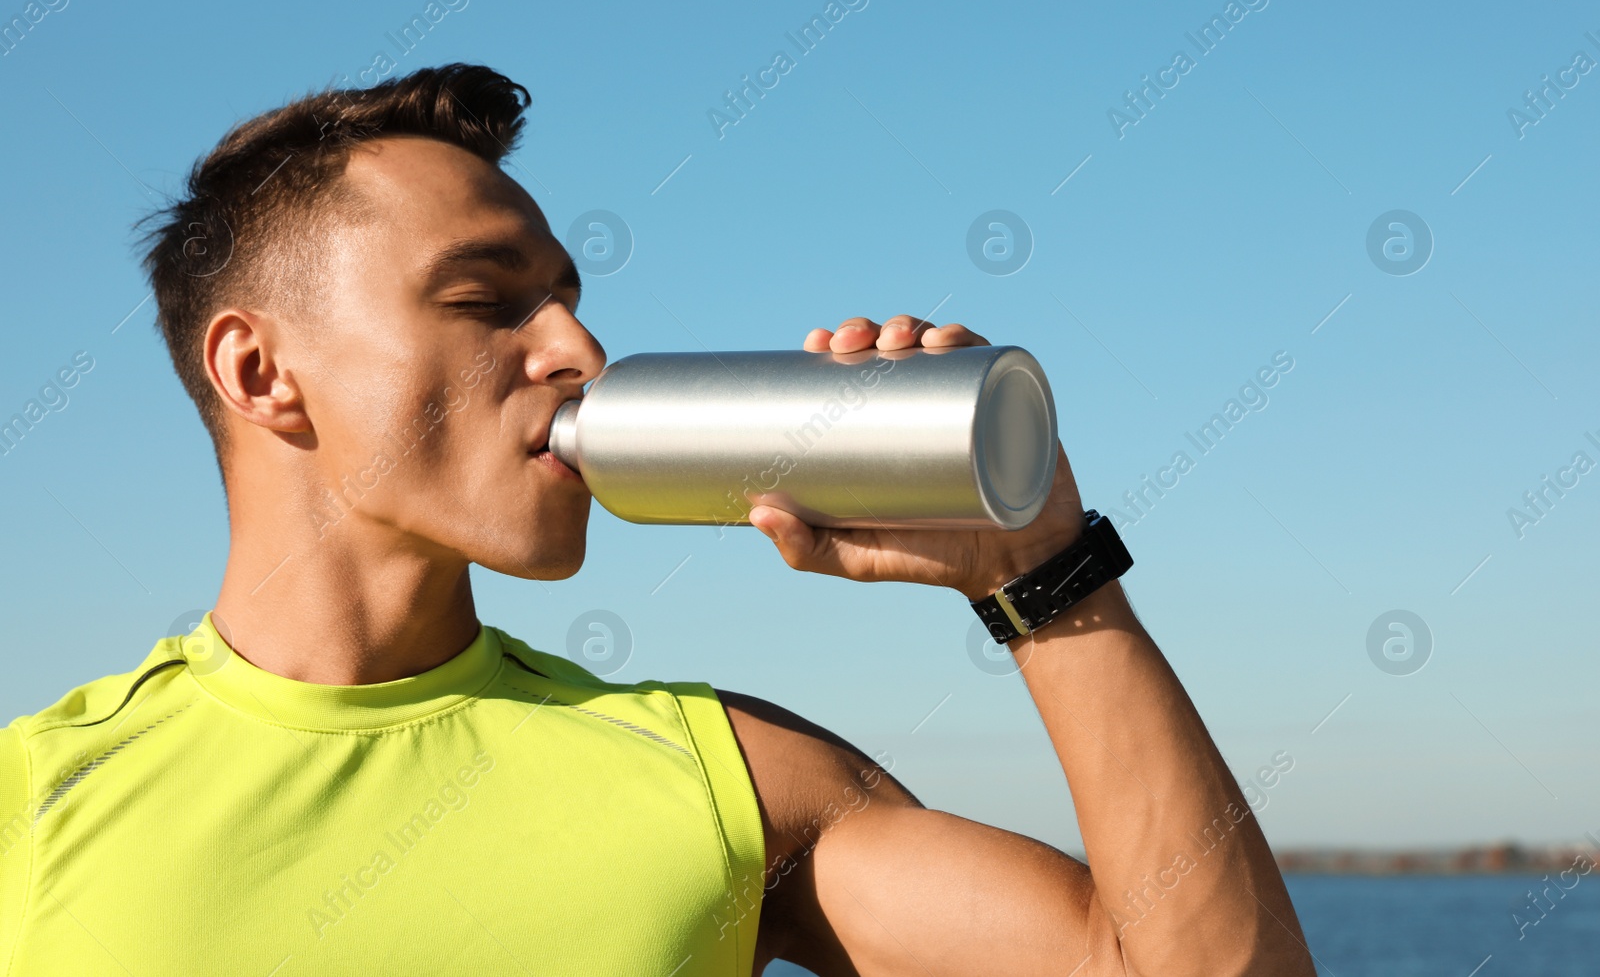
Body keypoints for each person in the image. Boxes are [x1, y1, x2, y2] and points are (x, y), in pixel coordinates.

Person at [0, 64, 1314, 976]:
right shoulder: (29, 807)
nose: (580, 344)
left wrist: (1042, 570)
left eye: (568, 297)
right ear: (259, 374)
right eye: (486, 298)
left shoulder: (734, 779)